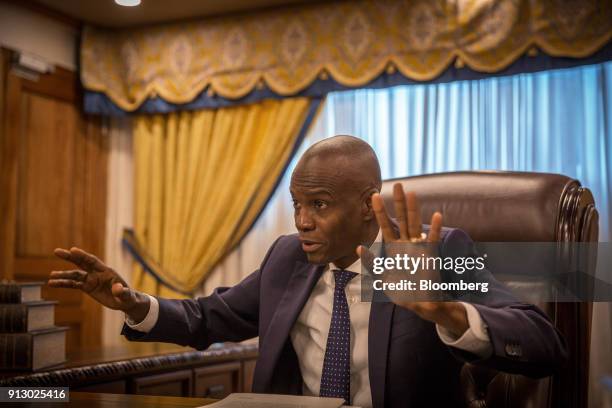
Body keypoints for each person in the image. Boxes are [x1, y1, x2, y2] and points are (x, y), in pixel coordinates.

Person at [48, 135, 567, 407]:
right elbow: (208, 318)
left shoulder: (436, 253)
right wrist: (131, 301)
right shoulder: (287, 257)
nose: (302, 221)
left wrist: (448, 312)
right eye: (297, 204)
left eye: (319, 204)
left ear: (368, 205)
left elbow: (543, 344)